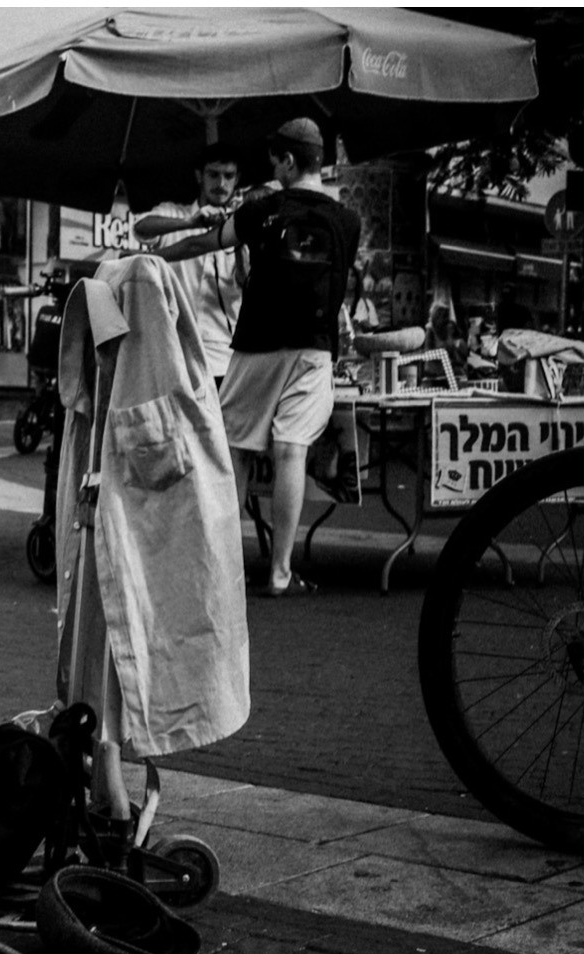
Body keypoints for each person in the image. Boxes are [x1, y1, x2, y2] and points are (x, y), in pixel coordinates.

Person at [158, 117, 361, 598]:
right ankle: (280, 572)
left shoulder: (263, 210)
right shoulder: (348, 221)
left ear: (289, 161)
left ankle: (221, 565)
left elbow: (204, 243)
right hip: (315, 348)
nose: (274, 170)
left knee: (234, 450)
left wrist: (153, 258)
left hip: (257, 344)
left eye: (276, 161)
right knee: (292, 450)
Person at [133, 142, 247, 382]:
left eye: (229, 176)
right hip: (171, 353)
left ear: (237, 179)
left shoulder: (241, 226)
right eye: (213, 175)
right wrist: (190, 223)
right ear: (199, 176)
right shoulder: (176, 212)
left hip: (223, 359)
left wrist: (239, 241)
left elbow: (245, 282)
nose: (221, 184)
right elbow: (141, 227)